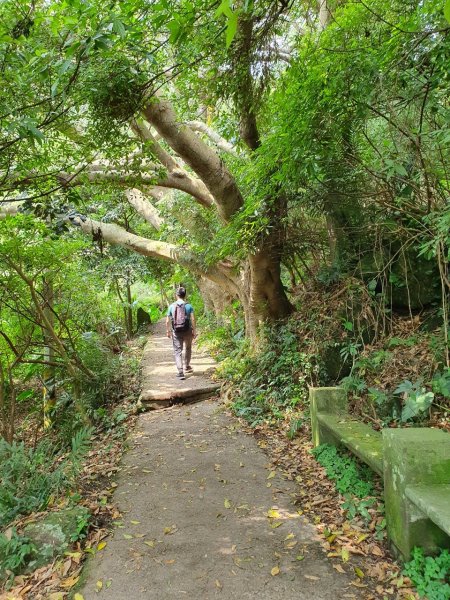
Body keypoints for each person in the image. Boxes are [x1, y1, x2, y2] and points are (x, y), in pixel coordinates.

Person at [166, 287, 196, 380]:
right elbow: (193, 319)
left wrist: (168, 331)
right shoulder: (189, 306)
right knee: (188, 348)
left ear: (176, 295)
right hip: (187, 330)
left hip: (177, 332)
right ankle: (187, 366)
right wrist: (194, 330)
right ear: (185, 295)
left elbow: (167, 321)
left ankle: (180, 372)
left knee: (177, 351)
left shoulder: (171, 306)